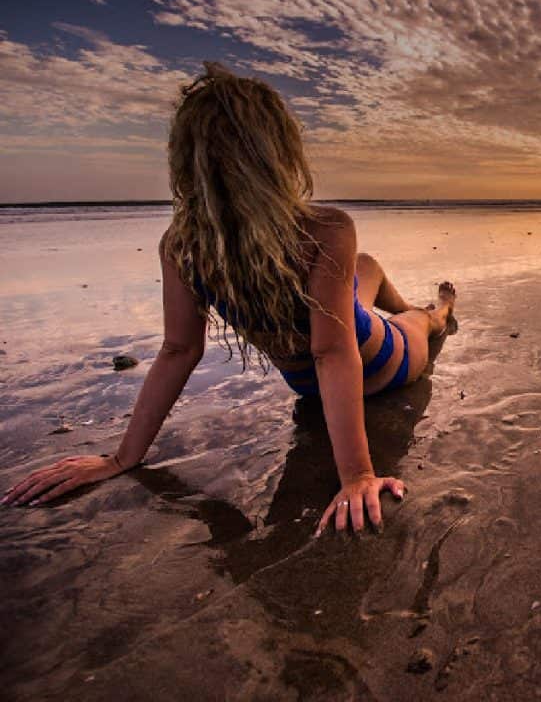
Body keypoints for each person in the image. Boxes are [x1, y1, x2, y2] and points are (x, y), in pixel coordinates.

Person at [1, 64, 457, 534]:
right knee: (367, 278)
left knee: (421, 319)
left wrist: (358, 476)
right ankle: (408, 304)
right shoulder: (306, 232)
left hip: (385, 362)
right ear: (280, 155)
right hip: (356, 359)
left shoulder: (196, 244)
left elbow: (319, 351)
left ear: (186, 163)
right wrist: (120, 458)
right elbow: (193, 350)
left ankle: (437, 309)